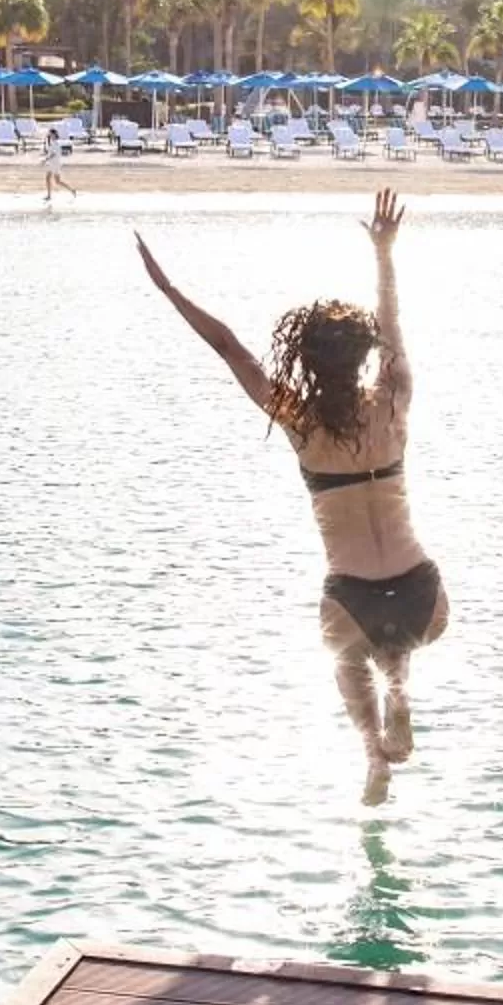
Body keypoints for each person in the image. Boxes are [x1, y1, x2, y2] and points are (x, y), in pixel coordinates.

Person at [137, 189, 445, 803]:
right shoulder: (393, 399)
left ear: (306, 362)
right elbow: (393, 320)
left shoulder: (299, 421)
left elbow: (228, 347)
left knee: (346, 655)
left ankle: (372, 755)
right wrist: (384, 252)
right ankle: (401, 693)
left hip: (351, 596)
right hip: (423, 593)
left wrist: (170, 293)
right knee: (393, 642)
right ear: (366, 356)